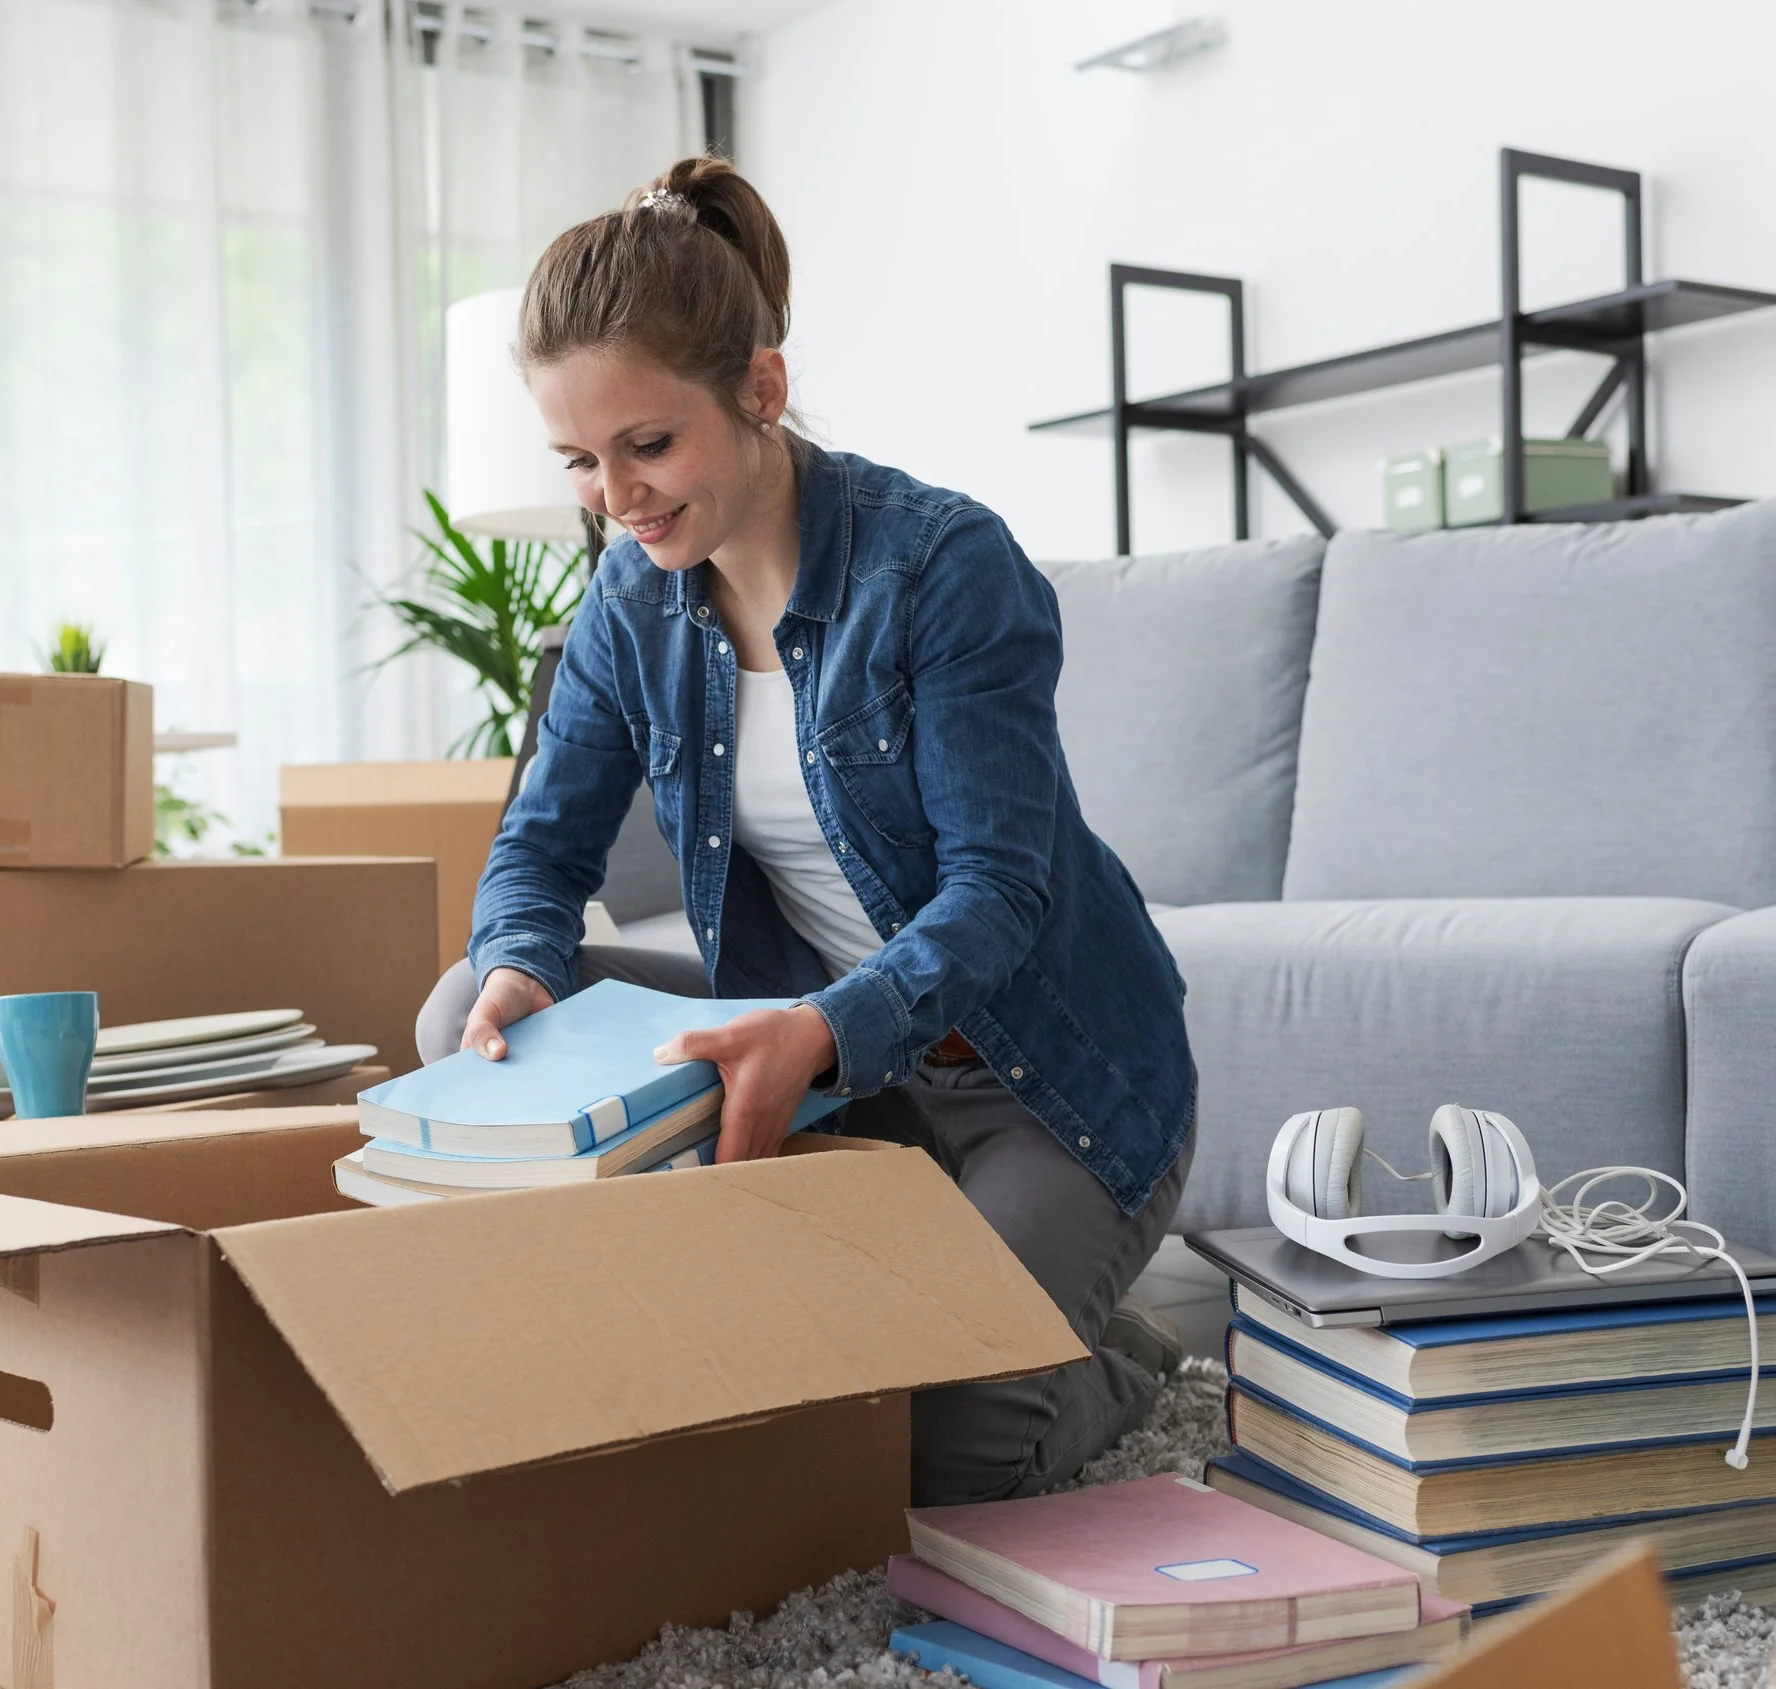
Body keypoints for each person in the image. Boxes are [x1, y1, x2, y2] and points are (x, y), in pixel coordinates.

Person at [414, 155, 1196, 1506]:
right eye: (581, 462)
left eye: (648, 445)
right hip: (840, 1076)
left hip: (1046, 1082)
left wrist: (827, 1027)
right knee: (460, 1022)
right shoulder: (627, 604)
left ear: (760, 392)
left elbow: (998, 892)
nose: (616, 497)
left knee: (934, 1452)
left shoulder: (943, 568)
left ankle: (1134, 1347)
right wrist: (521, 959)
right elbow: (542, 852)